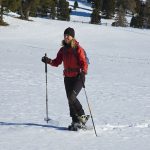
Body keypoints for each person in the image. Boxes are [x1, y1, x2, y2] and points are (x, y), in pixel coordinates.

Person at [41, 27, 89, 130]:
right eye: (65, 35)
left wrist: (83, 72)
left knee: (72, 97)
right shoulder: (63, 50)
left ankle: (83, 118)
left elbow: (84, 63)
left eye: (68, 35)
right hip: (67, 78)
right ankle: (75, 121)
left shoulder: (78, 48)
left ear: (72, 37)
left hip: (78, 77)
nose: (66, 37)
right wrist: (48, 61)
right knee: (69, 100)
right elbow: (57, 62)